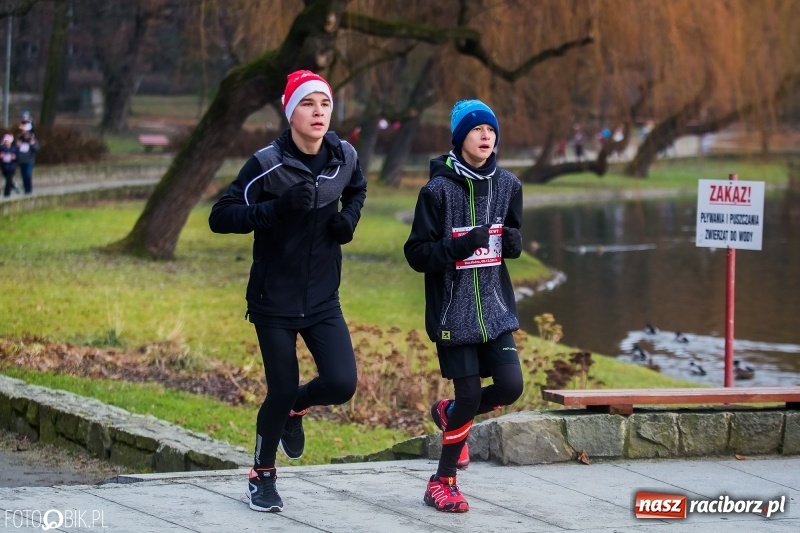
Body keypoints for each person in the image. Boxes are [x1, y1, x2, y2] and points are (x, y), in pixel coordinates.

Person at [208, 70, 367, 513]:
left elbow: (357, 189)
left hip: (322, 298)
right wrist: (275, 209)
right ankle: (262, 475)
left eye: (324, 104)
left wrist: (348, 221)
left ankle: (298, 409)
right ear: (290, 111)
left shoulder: (344, 155)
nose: (318, 113)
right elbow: (221, 216)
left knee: (341, 382)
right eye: (307, 104)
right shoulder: (267, 164)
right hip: (273, 301)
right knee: (279, 390)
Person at [404, 99, 524, 513]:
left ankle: (450, 412)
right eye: (476, 129)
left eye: (491, 129)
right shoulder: (436, 191)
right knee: (471, 396)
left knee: (511, 387)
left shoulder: (509, 185)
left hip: (494, 308)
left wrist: (514, 244)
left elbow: (511, 235)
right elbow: (416, 254)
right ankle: (442, 481)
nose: (486, 135)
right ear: (459, 138)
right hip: (453, 312)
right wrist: (458, 246)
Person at [15, 130, 39, 195]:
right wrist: (17, 146)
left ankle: (29, 189)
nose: (25, 135)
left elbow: (36, 149)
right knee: (23, 176)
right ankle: (26, 189)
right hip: (22, 161)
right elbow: (15, 151)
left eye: (26, 133)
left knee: (27, 175)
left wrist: (32, 144)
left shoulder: (32, 140)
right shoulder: (20, 141)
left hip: (29, 161)